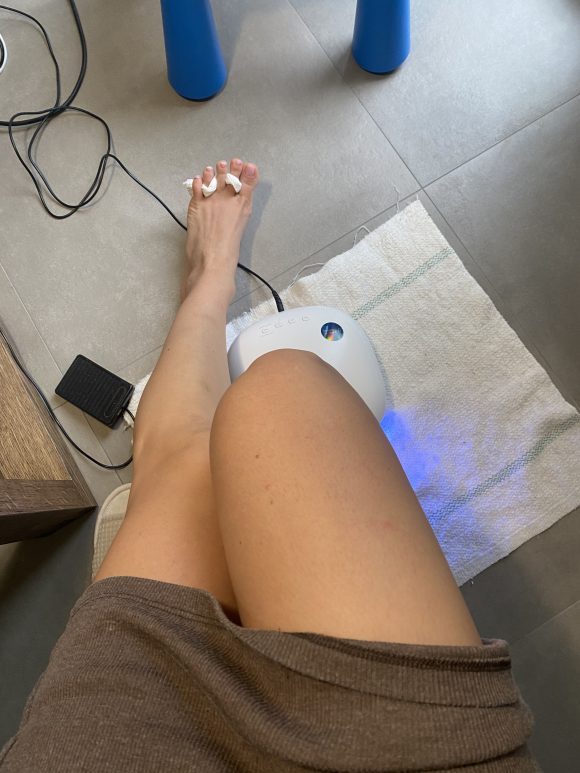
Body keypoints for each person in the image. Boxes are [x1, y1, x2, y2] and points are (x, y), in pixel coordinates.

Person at [0, 159, 538, 772]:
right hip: (397, 746)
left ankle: (207, 286)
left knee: (180, 464)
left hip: (117, 746)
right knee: (282, 389)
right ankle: (208, 285)